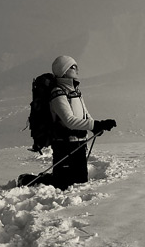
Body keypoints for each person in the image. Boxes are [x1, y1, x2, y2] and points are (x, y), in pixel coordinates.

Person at [48, 55, 116, 189]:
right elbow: (69, 121)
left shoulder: (75, 91)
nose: (77, 69)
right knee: (63, 186)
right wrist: (95, 125)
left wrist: (97, 125)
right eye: (73, 67)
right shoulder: (58, 93)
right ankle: (28, 180)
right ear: (63, 70)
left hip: (79, 144)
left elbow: (85, 115)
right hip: (64, 146)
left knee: (80, 183)